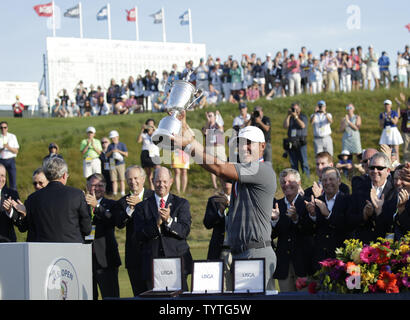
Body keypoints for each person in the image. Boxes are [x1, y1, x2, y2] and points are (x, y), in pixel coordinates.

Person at [175, 125, 277, 290]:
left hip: (255, 253)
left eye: (249, 143)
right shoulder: (245, 172)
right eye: (241, 143)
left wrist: (188, 146)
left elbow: (220, 168)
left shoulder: (261, 170)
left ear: (262, 146)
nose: (244, 147)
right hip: (240, 253)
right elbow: (217, 163)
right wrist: (189, 137)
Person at [133, 166, 193, 291]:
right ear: (153, 181)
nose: (161, 185)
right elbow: (139, 235)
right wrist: (157, 224)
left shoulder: (181, 203)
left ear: (171, 181)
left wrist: (169, 221)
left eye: (165, 181)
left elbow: (184, 231)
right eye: (158, 181)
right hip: (152, 264)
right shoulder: (141, 207)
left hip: (178, 262)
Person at [23, 157, 91, 242]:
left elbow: (26, 227)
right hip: (72, 249)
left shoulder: (32, 198)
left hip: (41, 250)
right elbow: (86, 229)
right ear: (64, 175)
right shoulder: (77, 195)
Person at [113, 165, 154, 296]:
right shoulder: (122, 202)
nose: (133, 182)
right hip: (133, 256)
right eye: (129, 179)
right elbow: (119, 223)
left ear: (143, 179)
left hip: (153, 254)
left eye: (136, 178)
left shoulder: (153, 197)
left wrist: (140, 204)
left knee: (156, 294)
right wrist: (130, 209)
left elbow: (156, 219)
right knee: (139, 294)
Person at [271, 169, 312, 292]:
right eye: (283, 182)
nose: (287, 184)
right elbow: (272, 235)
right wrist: (274, 221)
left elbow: (310, 230)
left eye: (290, 181)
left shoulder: (307, 203)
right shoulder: (277, 205)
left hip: (304, 264)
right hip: (284, 265)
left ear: (299, 182)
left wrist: (296, 219)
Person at [304, 167, 351, 272]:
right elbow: (308, 231)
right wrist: (312, 215)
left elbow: (348, 226)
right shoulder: (315, 201)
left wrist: (328, 214)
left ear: (339, 181)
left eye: (331, 179)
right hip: (319, 262)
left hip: (341, 261)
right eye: (324, 180)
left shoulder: (348, 200)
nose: (328, 182)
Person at [84, 173, 121, 300]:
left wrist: (97, 206)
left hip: (106, 260)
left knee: (110, 296)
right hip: (84, 260)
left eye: (100, 185)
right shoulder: (80, 205)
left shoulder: (112, 204)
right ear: (87, 187)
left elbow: (113, 221)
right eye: (94, 185)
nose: (97, 188)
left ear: (105, 187)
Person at [348, 152, 396, 244]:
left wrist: (379, 212)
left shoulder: (395, 191)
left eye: (380, 168)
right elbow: (350, 220)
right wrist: (364, 215)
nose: (375, 171)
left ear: (388, 171)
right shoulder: (359, 188)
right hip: (363, 247)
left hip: (388, 247)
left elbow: (396, 223)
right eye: (372, 167)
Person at [203, 178, 233, 290]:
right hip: (220, 250)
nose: (226, 182)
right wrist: (220, 212)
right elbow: (207, 223)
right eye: (224, 179)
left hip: (238, 250)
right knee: (221, 288)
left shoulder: (242, 199)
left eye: (229, 179)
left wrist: (229, 205)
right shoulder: (213, 200)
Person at [283, 103, 310, 177]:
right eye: (293, 109)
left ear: (299, 109)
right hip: (291, 142)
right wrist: (288, 115)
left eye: (296, 109)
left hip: (301, 142)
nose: (294, 110)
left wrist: (296, 117)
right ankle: (295, 178)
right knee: (293, 163)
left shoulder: (303, 116)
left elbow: (303, 125)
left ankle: (306, 178)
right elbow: (285, 126)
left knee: (304, 162)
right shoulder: (290, 118)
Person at [202, 111, 226, 189]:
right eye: (208, 116)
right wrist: (207, 122)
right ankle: (215, 186)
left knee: (221, 165)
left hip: (219, 147)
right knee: (212, 167)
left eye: (211, 116)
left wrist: (218, 116)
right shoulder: (208, 126)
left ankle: (223, 184)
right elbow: (204, 132)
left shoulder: (218, 124)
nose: (210, 117)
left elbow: (221, 129)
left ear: (215, 117)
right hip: (210, 147)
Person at [0, 164, 22, 242]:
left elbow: (20, 223)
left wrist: (10, 211)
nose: (0, 179)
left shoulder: (12, 194)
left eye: (3, 176)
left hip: (7, 241)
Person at [137, 119, 160, 190]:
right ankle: (152, 189)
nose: (150, 126)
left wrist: (154, 129)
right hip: (146, 153)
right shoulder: (144, 134)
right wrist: (142, 130)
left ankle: (158, 187)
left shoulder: (156, 133)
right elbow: (139, 141)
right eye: (148, 124)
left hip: (155, 154)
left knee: (158, 171)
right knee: (149, 173)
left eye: (152, 124)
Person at [106, 130, 128, 196]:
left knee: (121, 179)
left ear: (117, 137)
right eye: (112, 138)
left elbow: (126, 154)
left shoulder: (122, 144)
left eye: (114, 137)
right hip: (112, 163)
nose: (113, 139)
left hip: (120, 163)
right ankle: (115, 193)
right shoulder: (110, 146)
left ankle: (122, 193)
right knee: (113, 179)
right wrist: (112, 151)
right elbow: (107, 155)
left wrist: (118, 151)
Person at [0, 121, 19, 191]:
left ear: (7, 128)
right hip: (1, 160)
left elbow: (16, 151)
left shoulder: (12, 136)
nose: (3, 129)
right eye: (1, 128)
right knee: (2, 181)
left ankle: (13, 198)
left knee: (13, 181)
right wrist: (2, 148)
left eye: (5, 127)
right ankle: (3, 198)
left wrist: (8, 147)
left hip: (10, 160)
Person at [393, 164, 410, 240]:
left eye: (402, 178)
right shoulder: (390, 197)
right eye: (395, 179)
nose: (398, 182)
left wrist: (402, 210)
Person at [397, 94, 410, 162]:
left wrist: (404, 101)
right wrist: (399, 106)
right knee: (405, 150)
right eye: (408, 102)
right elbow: (398, 116)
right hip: (406, 133)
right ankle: (406, 165)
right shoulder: (404, 111)